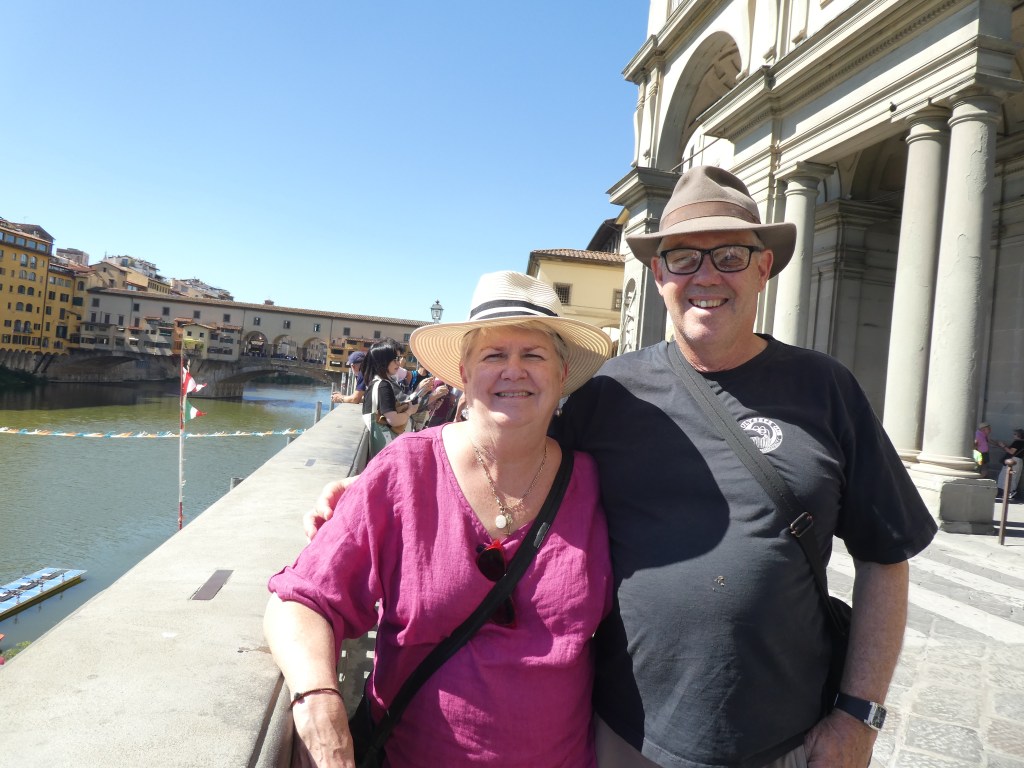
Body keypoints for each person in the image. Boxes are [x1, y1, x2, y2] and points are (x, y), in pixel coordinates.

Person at [309, 167, 938, 768]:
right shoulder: (611, 393)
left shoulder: (826, 390)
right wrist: (370, 491)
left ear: (763, 267)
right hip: (624, 740)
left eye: (730, 255)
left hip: (786, 740)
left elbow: (886, 555)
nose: (706, 275)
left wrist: (859, 716)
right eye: (683, 257)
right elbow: (507, 450)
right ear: (659, 273)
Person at [265, 271, 615, 767]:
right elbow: (299, 600)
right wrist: (317, 699)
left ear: (561, 374)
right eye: (494, 355)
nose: (513, 370)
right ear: (464, 374)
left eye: (533, 355)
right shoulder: (406, 471)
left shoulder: (596, 482)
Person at [994, 427, 1024, 500]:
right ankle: (1011, 492)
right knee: (1014, 477)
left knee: (1006, 476)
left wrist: (1003, 446)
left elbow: (1011, 452)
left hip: (1012, 461)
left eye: (1015, 434)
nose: (1013, 435)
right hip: (1019, 461)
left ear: (1019, 435)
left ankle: (1005, 493)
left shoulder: (1017, 442)